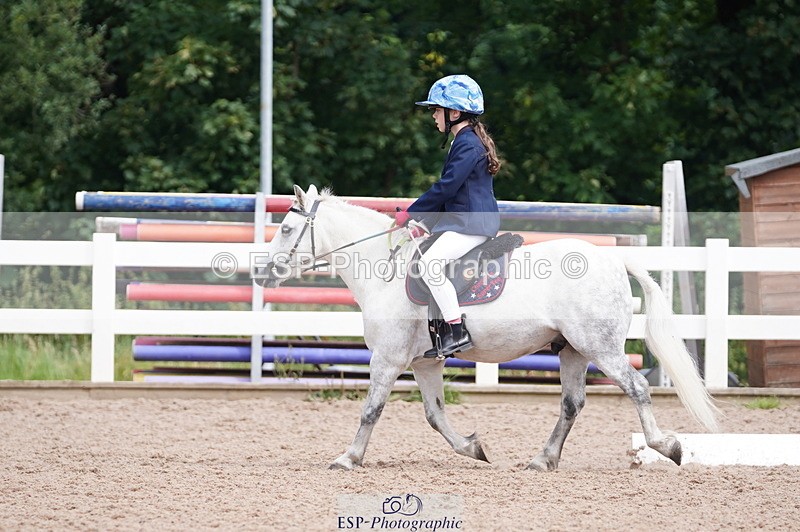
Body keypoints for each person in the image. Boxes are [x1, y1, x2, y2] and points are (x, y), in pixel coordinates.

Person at [395, 74, 502, 358]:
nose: (433, 116)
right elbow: (452, 195)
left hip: (472, 224)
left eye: (436, 110)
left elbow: (447, 187)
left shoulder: (467, 144)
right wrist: (424, 225)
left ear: (454, 113)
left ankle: (456, 331)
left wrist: (411, 213)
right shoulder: (462, 141)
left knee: (430, 265)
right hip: (464, 221)